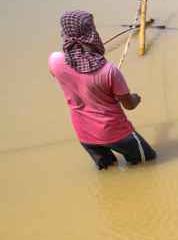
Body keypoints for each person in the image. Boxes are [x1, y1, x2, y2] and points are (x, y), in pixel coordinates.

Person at [49, 10, 156, 170]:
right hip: (116, 133)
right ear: (91, 33)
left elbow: (64, 76)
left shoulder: (55, 61)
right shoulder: (109, 71)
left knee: (109, 170)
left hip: (85, 135)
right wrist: (135, 97)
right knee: (149, 163)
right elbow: (129, 105)